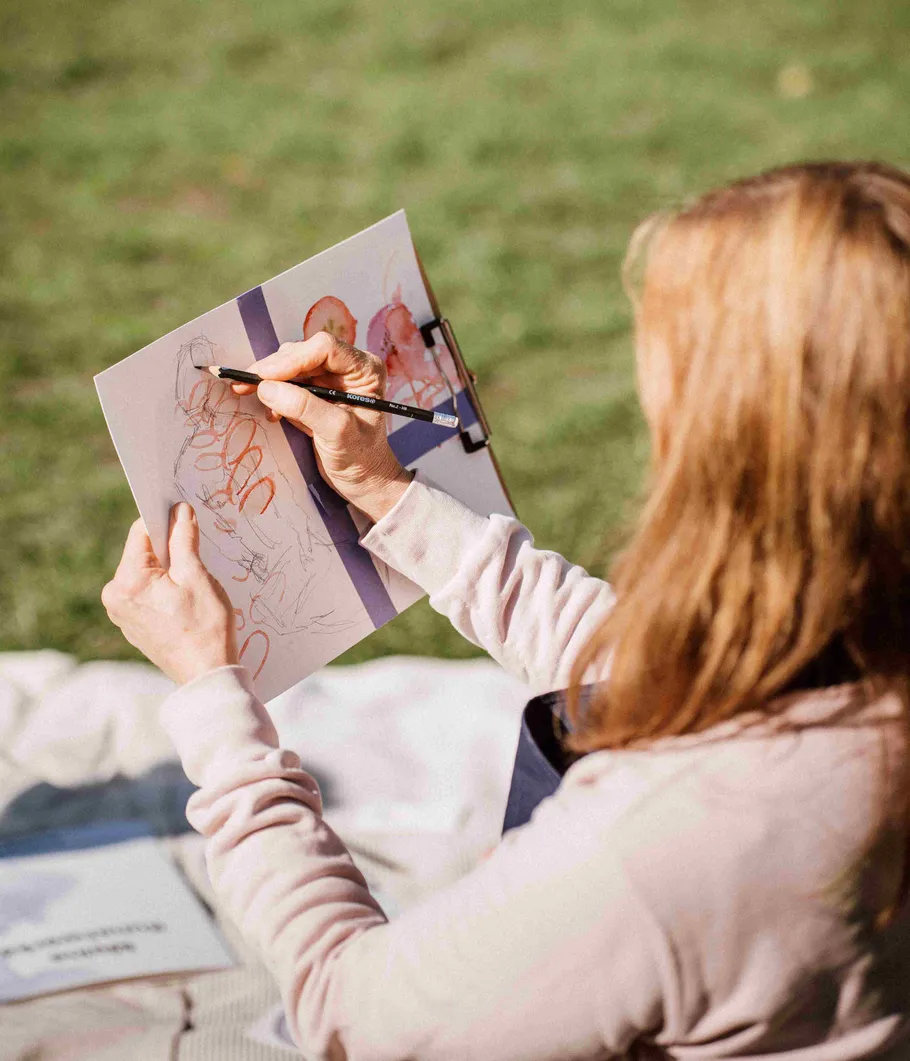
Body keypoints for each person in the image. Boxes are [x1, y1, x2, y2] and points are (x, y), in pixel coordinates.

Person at [102, 161, 910, 1060]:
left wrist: (218, 708)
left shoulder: (669, 839)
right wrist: (388, 493)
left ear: (735, 435)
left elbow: (351, 1018)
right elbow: (643, 670)